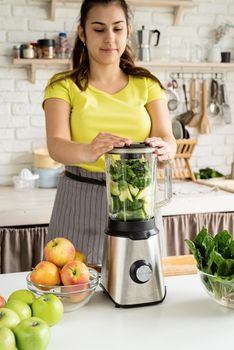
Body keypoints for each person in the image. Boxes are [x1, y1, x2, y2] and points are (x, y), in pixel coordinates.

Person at [43, 0, 177, 265]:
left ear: (128, 30)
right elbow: (56, 145)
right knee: (75, 290)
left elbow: (167, 136)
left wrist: (165, 149)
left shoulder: (148, 84)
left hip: (138, 200)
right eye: (98, 29)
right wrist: (89, 149)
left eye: (117, 29)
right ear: (82, 33)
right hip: (80, 199)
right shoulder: (63, 86)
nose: (110, 39)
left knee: (139, 288)